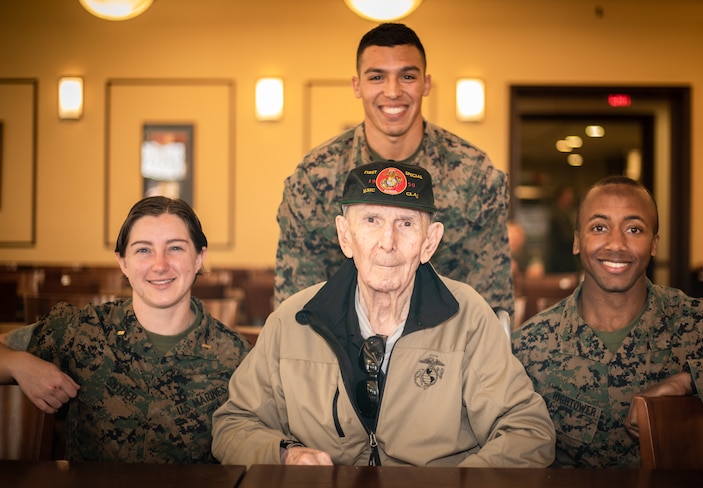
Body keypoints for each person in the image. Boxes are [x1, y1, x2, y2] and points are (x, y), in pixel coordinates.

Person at [213, 162, 555, 467]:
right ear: (345, 236)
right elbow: (233, 425)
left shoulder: (467, 319)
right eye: (372, 221)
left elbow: (528, 431)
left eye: (406, 223)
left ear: (429, 242)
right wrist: (285, 453)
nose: (387, 242)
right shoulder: (294, 320)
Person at [512, 175, 703, 468]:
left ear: (654, 244)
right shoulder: (529, 347)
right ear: (577, 241)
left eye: (634, 229)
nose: (616, 244)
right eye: (599, 227)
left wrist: (690, 381)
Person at [274, 22, 513, 318]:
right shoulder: (314, 178)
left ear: (425, 83)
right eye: (377, 77)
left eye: (407, 76)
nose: (392, 91)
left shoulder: (475, 175)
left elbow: (489, 305)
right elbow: (299, 304)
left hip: (447, 350)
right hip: (339, 348)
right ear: (357, 86)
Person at [0, 196, 251, 463]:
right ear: (123, 263)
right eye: (143, 250)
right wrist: (18, 363)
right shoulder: (83, 330)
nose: (160, 264)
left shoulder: (236, 355)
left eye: (175, 248)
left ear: (199, 257)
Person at [545, 184, 579, 274]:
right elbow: (566, 238)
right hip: (560, 259)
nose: (571, 199)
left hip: (566, 258)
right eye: (568, 196)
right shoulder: (556, 215)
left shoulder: (567, 214)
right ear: (560, 198)